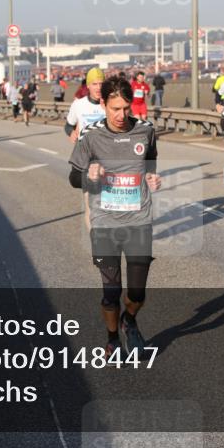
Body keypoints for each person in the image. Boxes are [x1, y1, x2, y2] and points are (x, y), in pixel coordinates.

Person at [68, 74, 162, 356]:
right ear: (103, 104)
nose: (121, 115)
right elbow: (73, 178)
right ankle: (112, 340)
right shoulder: (91, 135)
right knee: (111, 293)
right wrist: (89, 175)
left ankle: (128, 319)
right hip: (105, 223)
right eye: (114, 109)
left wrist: (152, 178)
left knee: (137, 294)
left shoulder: (146, 130)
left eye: (125, 108)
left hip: (138, 221)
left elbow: (150, 164)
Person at [66, 68, 106, 141]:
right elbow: (68, 126)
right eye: (94, 84)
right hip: (84, 147)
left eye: (101, 84)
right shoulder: (78, 104)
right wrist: (72, 133)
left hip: (105, 146)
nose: (99, 88)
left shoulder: (111, 103)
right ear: (88, 85)